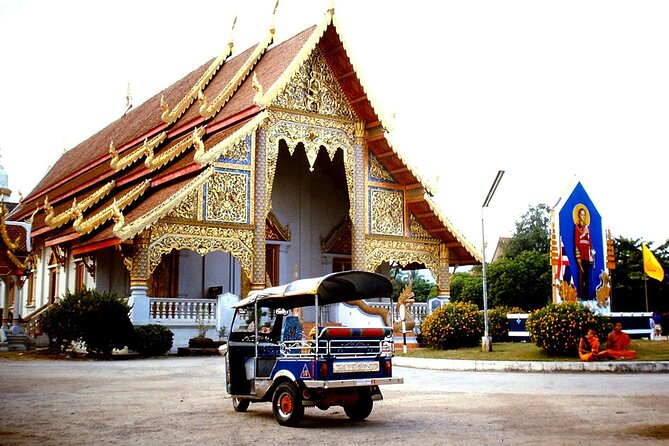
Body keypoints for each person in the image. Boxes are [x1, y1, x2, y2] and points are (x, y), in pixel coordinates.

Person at [574, 205, 594, 299]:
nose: (583, 216)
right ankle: (583, 294)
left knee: (588, 274)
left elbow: (590, 241)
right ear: (578, 215)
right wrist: (583, 233)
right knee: (582, 274)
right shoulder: (577, 227)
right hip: (581, 253)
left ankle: (588, 294)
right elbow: (577, 240)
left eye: (584, 215)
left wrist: (591, 254)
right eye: (581, 215)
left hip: (587, 253)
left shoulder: (587, 228)